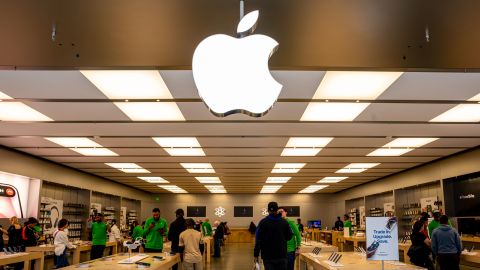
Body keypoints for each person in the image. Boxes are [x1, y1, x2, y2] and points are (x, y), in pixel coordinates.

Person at [254, 202, 293, 270]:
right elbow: (289, 236)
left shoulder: (263, 222)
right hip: (282, 255)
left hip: (268, 256)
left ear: (268, 211)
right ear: (277, 210)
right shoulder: (284, 222)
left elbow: (258, 240)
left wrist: (256, 254)